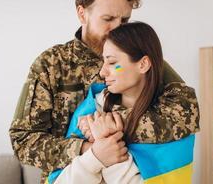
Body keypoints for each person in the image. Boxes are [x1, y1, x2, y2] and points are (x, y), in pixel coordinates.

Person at [9, 0, 199, 183]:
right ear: (82, 14)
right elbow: (22, 141)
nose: (117, 28)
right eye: (108, 19)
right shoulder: (51, 64)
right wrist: (90, 150)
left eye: (124, 20)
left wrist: (109, 124)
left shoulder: (140, 59)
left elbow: (188, 113)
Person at [52, 22, 199, 184]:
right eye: (103, 61)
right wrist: (95, 157)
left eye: (112, 62)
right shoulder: (89, 112)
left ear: (143, 64)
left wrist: (107, 143)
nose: (102, 72)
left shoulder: (176, 122)